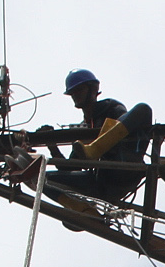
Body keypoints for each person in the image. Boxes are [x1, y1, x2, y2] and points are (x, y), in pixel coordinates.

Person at [42, 68, 152, 201]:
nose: (75, 95)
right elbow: (70, 168)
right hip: (102, 181)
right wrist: (52, 146)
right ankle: (86, 212)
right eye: (72, 93)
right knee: (43, 179)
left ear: (93, 89)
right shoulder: (83, 128)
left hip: (123, 169)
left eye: (79, 90)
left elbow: (128, 129)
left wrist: (97, 141)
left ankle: (95, 149)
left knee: (143, 108)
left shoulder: (111, 108)